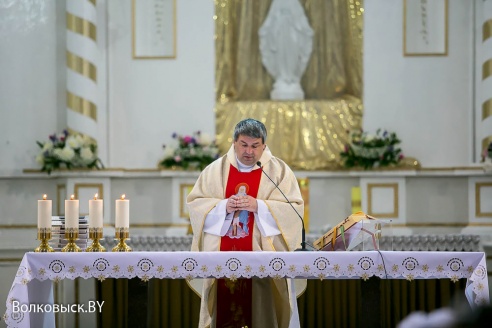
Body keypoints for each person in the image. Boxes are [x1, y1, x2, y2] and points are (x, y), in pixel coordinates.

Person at [187, 118, 304, 328]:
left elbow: (294, 210)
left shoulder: (278, 171)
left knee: (261, 313)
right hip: (221, 261)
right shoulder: (215, 171)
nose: (249, 152)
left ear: (264, 146)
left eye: (254, 146)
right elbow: (196, 205)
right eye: (243, 145)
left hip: (262, 263)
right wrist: (224, 207)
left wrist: (259, 206)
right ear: (234, 143)